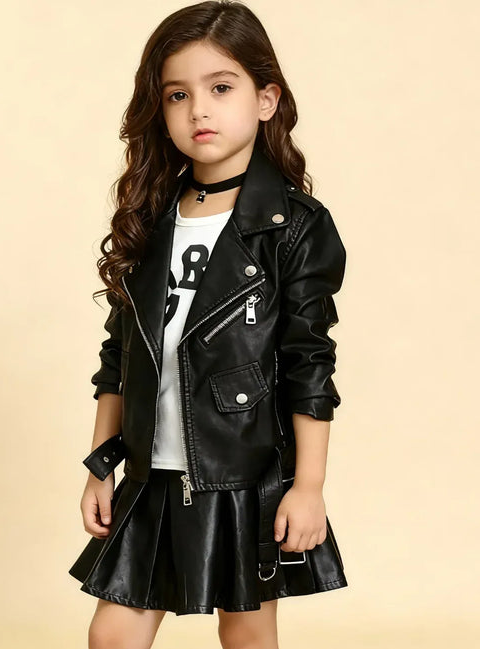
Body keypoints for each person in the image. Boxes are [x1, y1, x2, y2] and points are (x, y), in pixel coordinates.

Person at [68, 1, 349, 647]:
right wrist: (101, 465)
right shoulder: (149, 219)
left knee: (245, 636)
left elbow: (309, 363)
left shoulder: (293, 226)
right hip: (150, 473)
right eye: (177, 95)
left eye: (220, 88)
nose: (198, 110)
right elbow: (119, 357)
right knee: (112, 636)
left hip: (245, 474)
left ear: (265, 99)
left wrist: (308, 486)